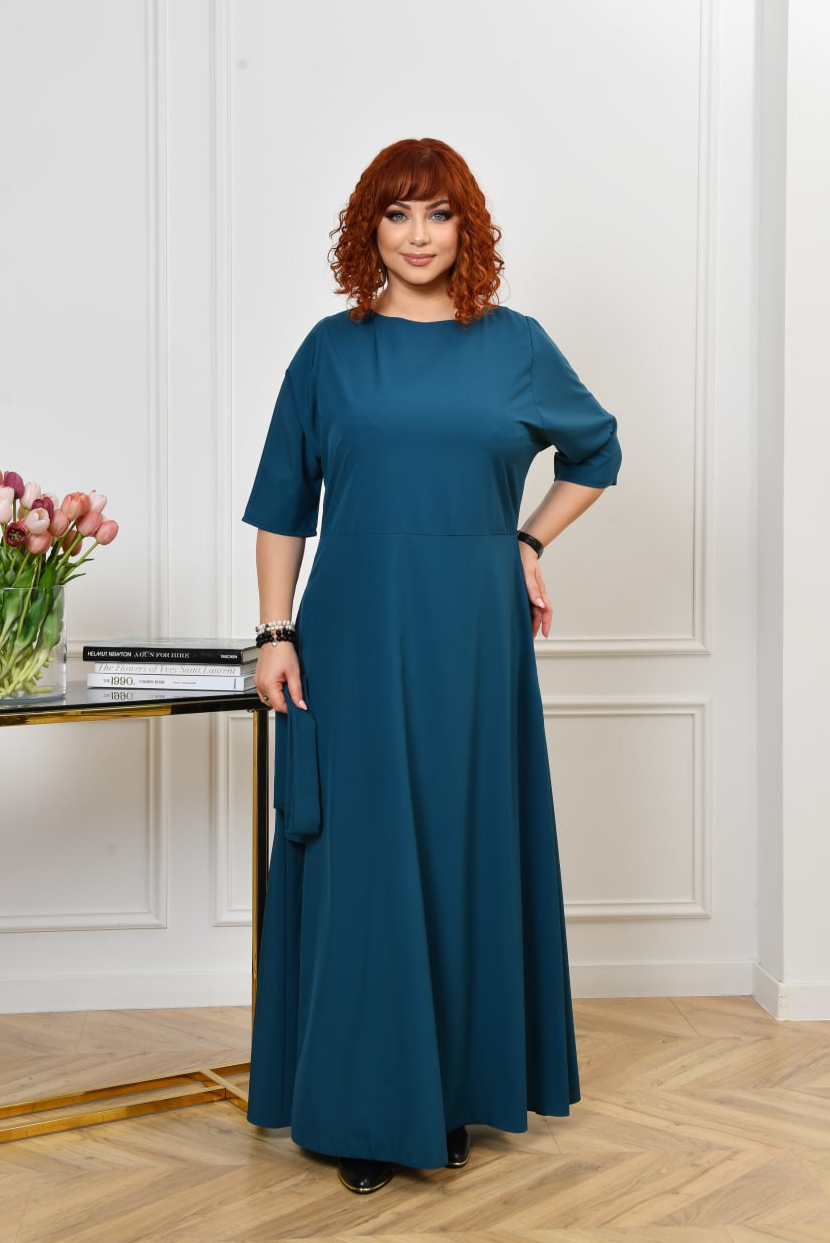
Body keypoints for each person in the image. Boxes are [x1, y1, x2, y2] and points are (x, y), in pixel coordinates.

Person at [241, 137, 622, 1195]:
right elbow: (282, 505)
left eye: (438, 214)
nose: (418, 236)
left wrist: (527, 539)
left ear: (468, 228)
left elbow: (596, 451)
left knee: (460, 853)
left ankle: (448, 1091)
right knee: (364, 862)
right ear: (368, 229)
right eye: (398, 214)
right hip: (352, 635)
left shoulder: (517, 345)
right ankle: (363, 1107)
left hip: (473, 638)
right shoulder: (330, 352)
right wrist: (273, 633)